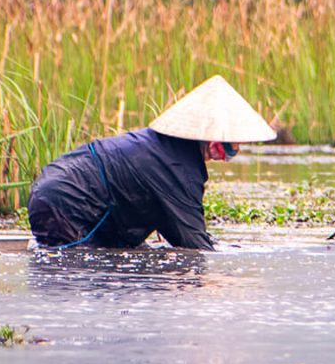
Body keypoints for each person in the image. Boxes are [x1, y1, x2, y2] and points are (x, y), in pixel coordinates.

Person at [27, 75, 276, 250]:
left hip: (53, 189)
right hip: (62, 203)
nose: (228, 155)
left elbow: (178, 229)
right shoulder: (177, 169)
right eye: (229, 147)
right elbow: (193, 245)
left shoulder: (165, 150)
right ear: (211, 141)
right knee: (78, 268)